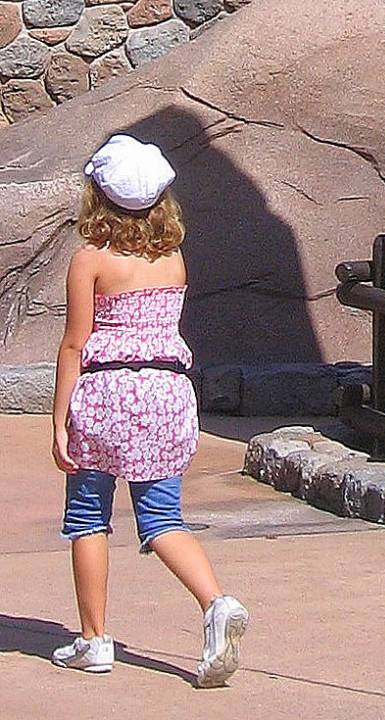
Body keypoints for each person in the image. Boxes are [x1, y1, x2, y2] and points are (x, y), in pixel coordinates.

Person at [50, 133, 249, 686]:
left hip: (107, 396)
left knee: (88, 516)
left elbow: (74, 343)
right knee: (162, 518)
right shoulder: (172, 259)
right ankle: (216, 603)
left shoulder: (90, 261)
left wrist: (59, 418)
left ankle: (93, 640)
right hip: (167, 394)